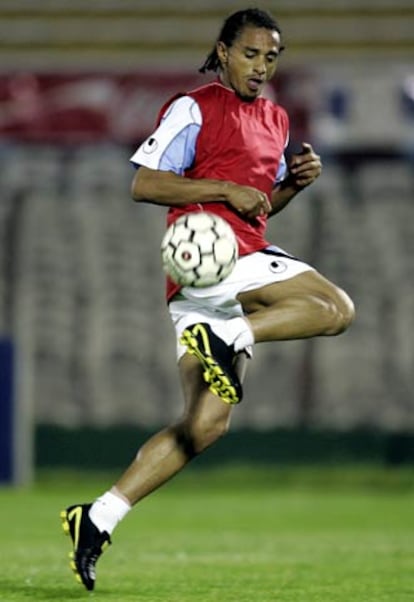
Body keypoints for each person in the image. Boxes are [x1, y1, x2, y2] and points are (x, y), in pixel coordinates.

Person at [61, 7, 355, 591]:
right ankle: (231, 335)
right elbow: (144, 182)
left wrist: (290, 186)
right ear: (223, 52)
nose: (260, 67)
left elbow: (258, 208)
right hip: (211, 255)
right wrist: (223, 187)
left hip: (221, 271)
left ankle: (97, 517)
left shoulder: (275, 119)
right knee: (334, 309)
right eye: (250, 54)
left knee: (205, 426)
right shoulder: (193, 107)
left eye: (271, 57)